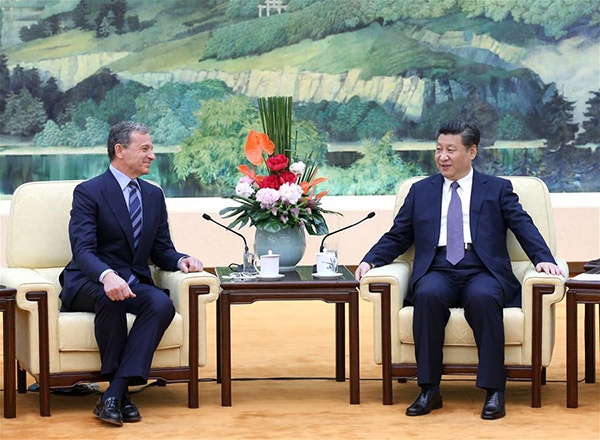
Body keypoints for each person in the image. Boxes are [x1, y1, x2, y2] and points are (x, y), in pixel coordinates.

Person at [355, 121, 564, 420]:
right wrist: (370, 259)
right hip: (437, 267)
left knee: (483, 299)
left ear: (472, 151)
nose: (443, 157)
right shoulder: (420, 191)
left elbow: (523, 225)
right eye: (439, 149)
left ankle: (494, 391)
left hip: (482, 269)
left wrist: (544, 257)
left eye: (451, 150)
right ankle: (429, 389)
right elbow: (398, 235)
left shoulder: (497, 188)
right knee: (426, 296)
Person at [59, 121, 203, 426]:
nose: (152, 155)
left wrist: (181, 260)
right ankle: (118, 394)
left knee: (161, 303)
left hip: (133, 281)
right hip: (89, 281)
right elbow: (83, 250)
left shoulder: (152, 195)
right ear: (120, 151)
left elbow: (162, 250)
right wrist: (108, 275)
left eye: (152, 149)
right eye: (145, 149)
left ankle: (114, 392)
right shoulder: (89, 192)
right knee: (111, 297)